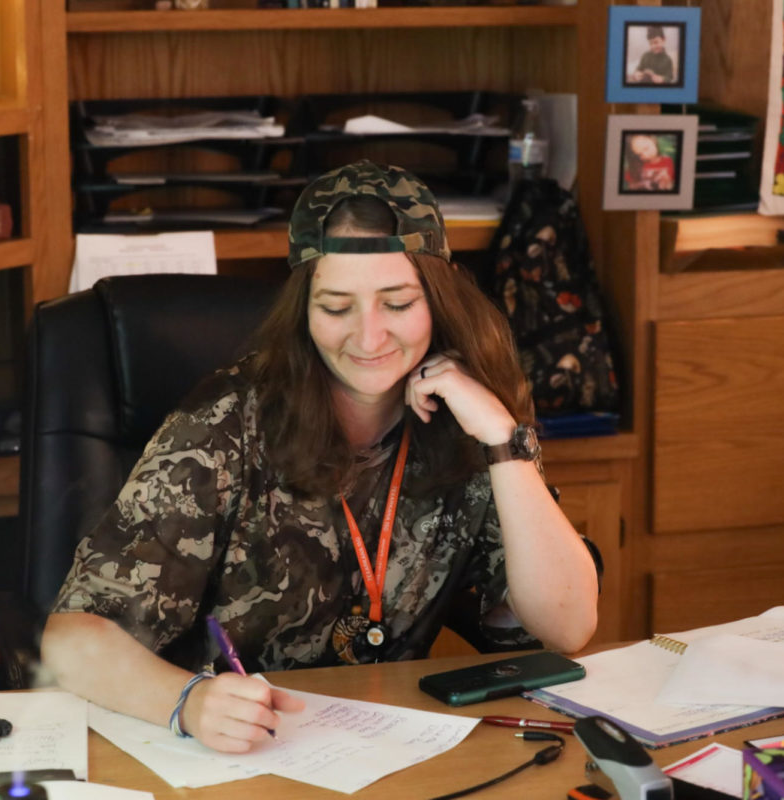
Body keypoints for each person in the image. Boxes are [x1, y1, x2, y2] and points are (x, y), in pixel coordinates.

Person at [39, 160, 600, 754]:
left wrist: (500, 438)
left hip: (384, 746)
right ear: (304, 309)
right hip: (222, 755)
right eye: (337, 308)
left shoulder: (474, 411)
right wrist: (187, 702)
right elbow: (71, 638)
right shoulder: (225, 424)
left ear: (438, 298)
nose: (370, 336)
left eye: (398, 303)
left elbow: (568, 626)